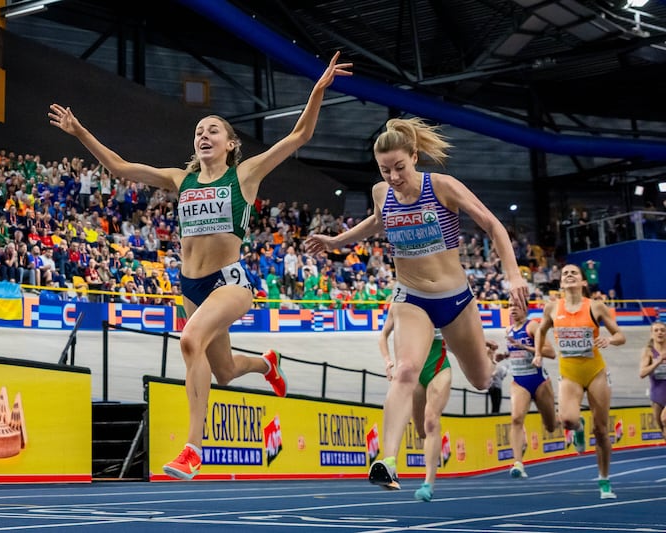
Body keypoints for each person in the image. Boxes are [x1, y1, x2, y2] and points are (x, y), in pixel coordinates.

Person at [49, 53, 352, 481]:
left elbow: (299, 135)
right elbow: (118, 166)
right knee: (225, 372)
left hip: (229, 283)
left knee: (190, 341)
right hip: (189, 286)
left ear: (230, 143)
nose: (203, 135)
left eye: (213, 130)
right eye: (198, 131)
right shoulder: (179, 179)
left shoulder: (245, 174)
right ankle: (267, 364)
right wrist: (79, 131)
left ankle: (193, 448)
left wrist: (318, 91)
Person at [305, 117, 527, 489]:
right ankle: (386, 461)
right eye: (384, 170)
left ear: (415, 156)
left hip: (455, 299)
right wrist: (335, 242)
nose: (392, 177)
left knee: (480, 379)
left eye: (399, 168)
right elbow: (376, 224)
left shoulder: (442, 187)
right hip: (411, 296)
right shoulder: (381, 192)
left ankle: (493, 363)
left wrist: (514, 274)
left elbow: (493, 225)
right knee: (406, 370)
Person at [534, 263, 625, 499]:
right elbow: (540, 331)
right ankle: (578, 428)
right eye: (565, 273)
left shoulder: (595, 306)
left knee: (602, 430)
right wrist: (537, 353)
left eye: (574, 272)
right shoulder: (552, 308)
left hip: (595, 372)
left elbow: (620, 335)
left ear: (584, 282)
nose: (569, 275)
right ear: (561, 282)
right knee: (567, 419)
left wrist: (609, 341)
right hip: (570, 374)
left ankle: (604, 480)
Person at [378, 310, 450, 502]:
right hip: (415, 372)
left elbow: (458, 335)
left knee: (431, 421)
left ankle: (428, 483)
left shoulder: (442, 297)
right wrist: (388, 362)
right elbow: (383, 335)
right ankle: (390, 464)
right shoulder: (400, 301)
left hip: (439, 366)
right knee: (421, 430)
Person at [494, 300, 557, 478]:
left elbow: (551, 353)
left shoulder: (533, 326)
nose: (512, 309)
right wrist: (504, 355)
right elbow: (516, 352)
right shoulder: (508, 330)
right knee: (516, 419)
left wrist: (525, 347)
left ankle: (566, 421)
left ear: (525, 310)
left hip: (539, 380)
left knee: (551, 426)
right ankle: (518, 464)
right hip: (519, 381)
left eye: (517, 306)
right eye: (510, 306)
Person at [639, 321, 666, 441]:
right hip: (657, 396)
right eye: (656, 330)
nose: (659, 332)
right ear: (651, 334)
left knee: (664, 418)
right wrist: (657, 362)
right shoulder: (648, 352)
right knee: (663, 429)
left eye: (662, 330)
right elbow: (642, 373)